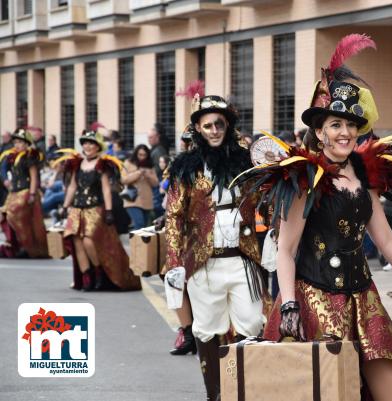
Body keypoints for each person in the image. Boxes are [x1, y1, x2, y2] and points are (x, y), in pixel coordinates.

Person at [233, 34, 392, 401]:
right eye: (335, 125)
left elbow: (386, 238)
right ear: (319, 131)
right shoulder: (302, 180)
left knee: (391, 386)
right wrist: (290, 303)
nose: (344, 133)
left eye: (350, 125)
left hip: (363, 294)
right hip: (315, 297)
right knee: (327, 388)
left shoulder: (365, 173)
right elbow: (286, 249)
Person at [165, 82, 267, 399]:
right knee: (207, 330)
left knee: (252, 324)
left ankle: (244, 391)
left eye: (219, 124)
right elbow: (173, 216)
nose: (213, 130)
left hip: (243, 259)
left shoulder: (247, 161)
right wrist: (172, 262)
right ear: (197, 128)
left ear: (228, 125)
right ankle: (216, 393)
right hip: (203, 263)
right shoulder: (186, 167)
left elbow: (266, 199)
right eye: (207, 125)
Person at [58, 130, 141, 292]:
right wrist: (65, 206)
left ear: (98, 147)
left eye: (91, 143)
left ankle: (98, 274)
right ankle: (86, 277)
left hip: (94, 209)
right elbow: (73, 186)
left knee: (88, 240)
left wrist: (109, 211)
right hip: (77, 208)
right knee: (76, 241)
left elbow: (106, 190)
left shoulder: (101, 164)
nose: (87, 146)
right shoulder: (77, 163)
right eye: (85, 143)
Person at [0, 128, 48, 258]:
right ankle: (14, 245)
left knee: (15, 215)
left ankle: (27, 247)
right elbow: (4, 169)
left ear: (27, 144)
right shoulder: (12, 156)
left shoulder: (29, 157)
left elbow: (33, 177)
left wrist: (32, 194)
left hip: (26, 191)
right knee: (4, 215)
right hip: (14, 193)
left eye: (20, 142)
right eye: (15, 142)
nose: (17, 145)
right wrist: (6, 181)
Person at [121, 144, 159, 230]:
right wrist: (138, 173)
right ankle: (136, 243)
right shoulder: (128, 163)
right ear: (136, 154)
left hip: (147, 200)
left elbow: (155, 183)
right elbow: (123, 180)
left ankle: (140, 243)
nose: (142, 157)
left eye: (144, 155)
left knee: (145, 228)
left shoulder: (150, 166)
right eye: (140, 154)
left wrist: (147, 175)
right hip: (132, 199)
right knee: (139, 224)